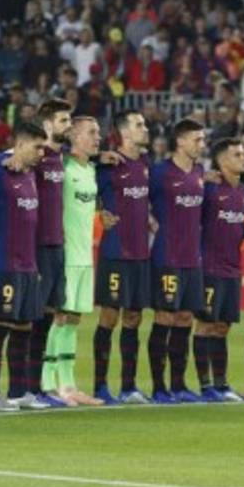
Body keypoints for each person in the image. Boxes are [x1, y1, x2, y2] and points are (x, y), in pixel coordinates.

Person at [0, 122, 53, 411]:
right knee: (0, 329)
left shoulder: (31, 173)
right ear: (20, 145)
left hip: (28, 265)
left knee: (24, 329)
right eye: (37, 147)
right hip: (3, 263)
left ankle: (18, 392)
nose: (41, 153)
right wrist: (0, 158)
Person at [41, 116, 105, 407]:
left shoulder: (91, 169)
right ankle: (47, 382)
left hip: (84, 257)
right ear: (75, 136)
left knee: (75, 319)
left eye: (98, 133)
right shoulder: (62, 168)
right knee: (60, 316)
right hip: (65, 256)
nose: (98, 138)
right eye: (92, 133)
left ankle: (68, 384)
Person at [93, 110, 153, 405]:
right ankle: (100, 386)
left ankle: (129, 386)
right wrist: (97, 211)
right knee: (110, 315)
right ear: (125, 132)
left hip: (141, 252)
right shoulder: (107, 163)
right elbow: (75, 186)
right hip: (115, 251)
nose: (146, 129)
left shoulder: (144, 163)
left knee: (134, 316)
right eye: (140, 125)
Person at [146, 118, 207, 404]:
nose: (202, 144)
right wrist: (149, 221)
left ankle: (179, 385)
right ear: (180, 141)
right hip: (166, 256)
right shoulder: (159, 173)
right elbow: (135, 200)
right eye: (197, 139)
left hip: (192, 258)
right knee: (165, 317)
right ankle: (159, 388)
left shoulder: (199, 172)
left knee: (185, 318)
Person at [195, 138, 244, 403]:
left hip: (232, 269)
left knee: (223, 327)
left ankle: (222, 384)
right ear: (222, 161)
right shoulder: (209, 190)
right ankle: (205, 386)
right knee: (205, 325)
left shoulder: (243, 192)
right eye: (238, 154)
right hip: (209, 268)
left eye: (243, 154)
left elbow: (241, 228)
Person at [27, 99, 73, 406]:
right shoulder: (37, 158)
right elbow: (7, 160)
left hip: (58, 245)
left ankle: (39, 387)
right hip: (39, 246)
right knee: (33, 319)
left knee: (49, 318)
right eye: (63, 120)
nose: (68, 126)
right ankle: (27, 388)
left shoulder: (59, 158)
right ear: (47, 125)